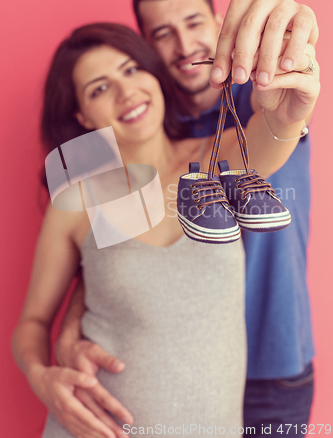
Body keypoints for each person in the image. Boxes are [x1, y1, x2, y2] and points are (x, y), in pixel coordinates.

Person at [11, 22, 318, 438]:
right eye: (99, 88)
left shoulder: (216, 158)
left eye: (131, 70)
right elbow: (32, 321)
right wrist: (42, 379)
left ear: (154, 76)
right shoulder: (76, 201)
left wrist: (290, 108)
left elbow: (276, 132)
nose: (125, 92)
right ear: (82, 115)